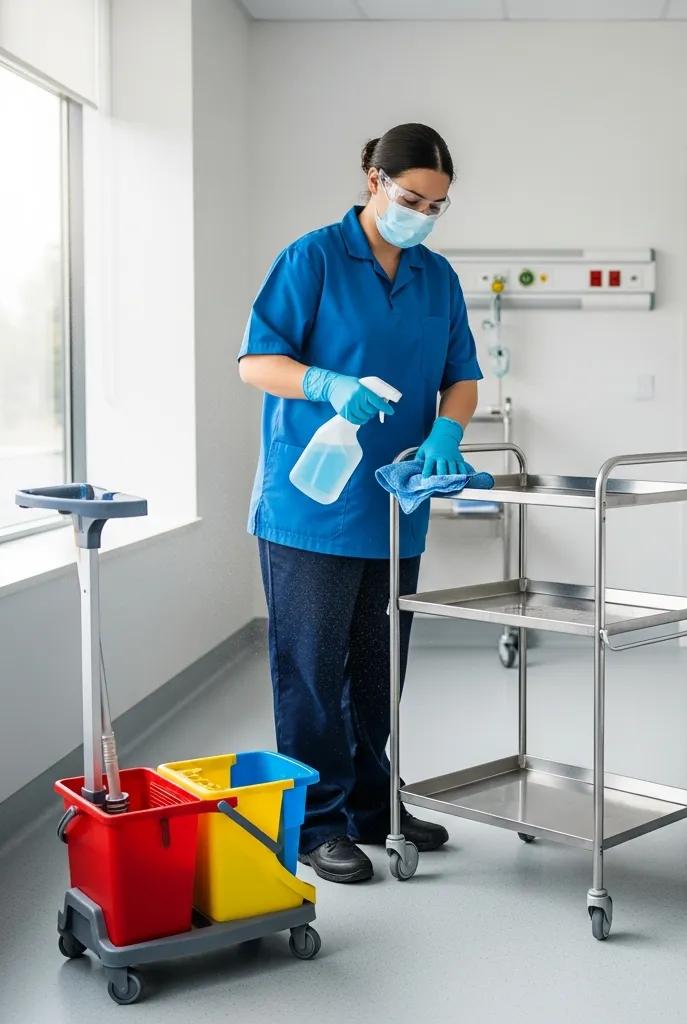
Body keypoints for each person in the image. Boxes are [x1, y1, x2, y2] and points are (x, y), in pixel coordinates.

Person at [237, 123, 481, 883]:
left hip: (396, 504)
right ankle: (317, 822)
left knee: (379, 670)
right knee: (312, 671)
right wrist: (324, 382)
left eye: (436, 207)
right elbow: (256, 363)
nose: (422, 216)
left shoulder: (436, 278)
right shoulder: (311, 259)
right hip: (310, 507)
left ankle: (374, 805)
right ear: (375, 179)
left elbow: (462, 376)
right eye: (412, 199)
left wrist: (447, 428)